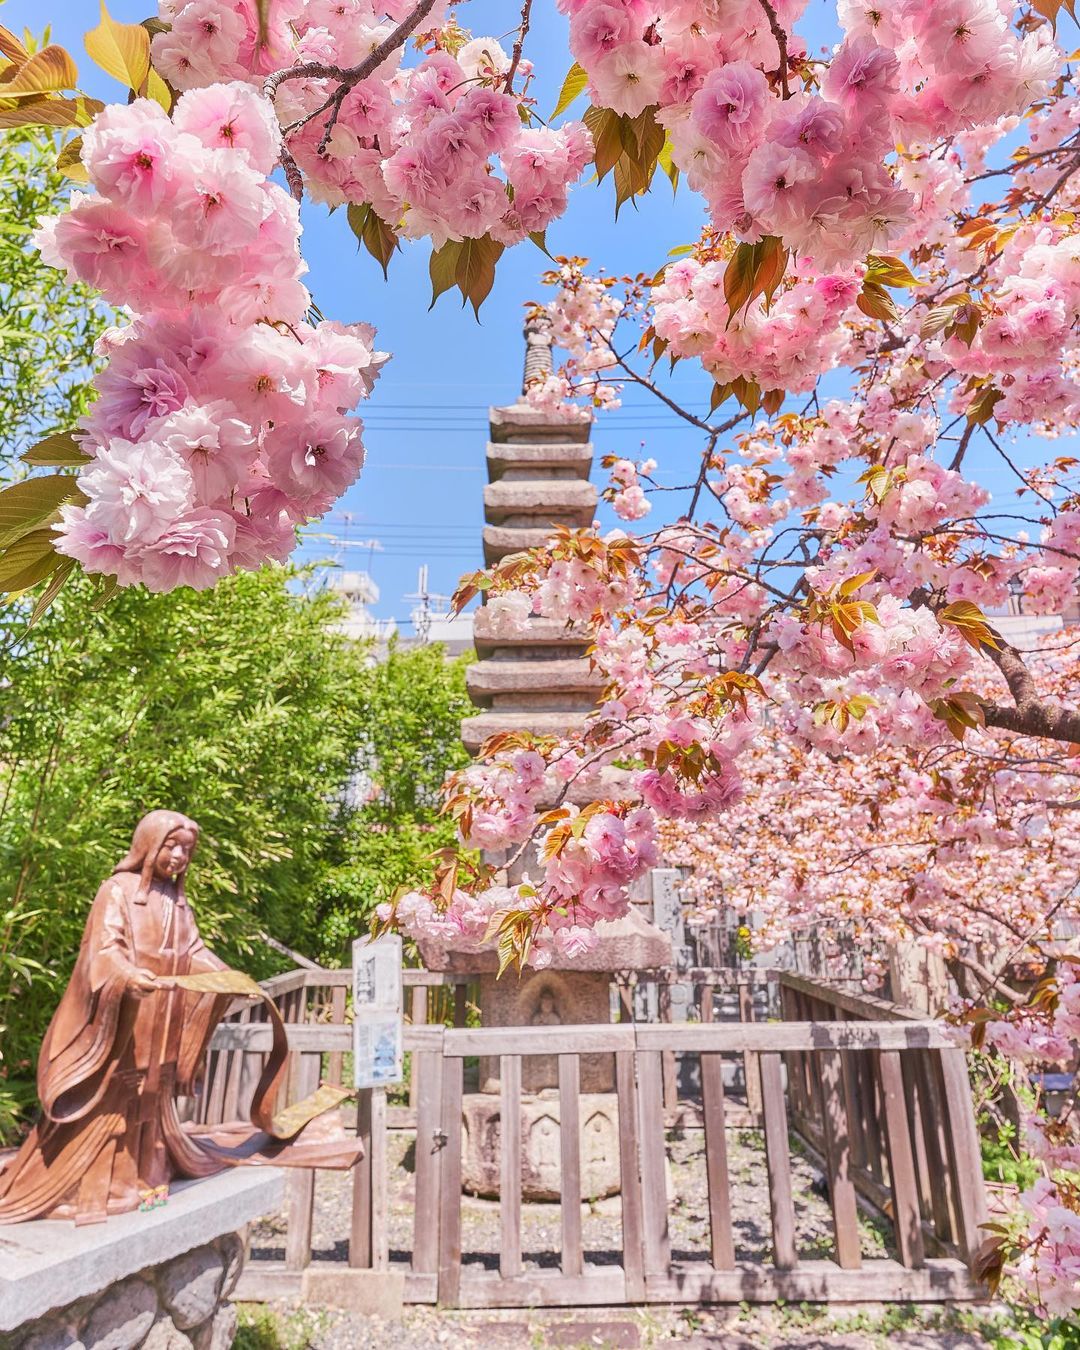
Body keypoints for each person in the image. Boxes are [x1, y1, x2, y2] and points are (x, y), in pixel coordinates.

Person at [0, 810, 359, 1225]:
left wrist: (225, 977)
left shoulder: (178, 903)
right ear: (147, 846)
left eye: (186, 850)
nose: (178, 856)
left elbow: (192, 953)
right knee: (117, 1098)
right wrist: (129, 976)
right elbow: (104, 950)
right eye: (170, 846)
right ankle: (100, 1183)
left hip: (164, 1017)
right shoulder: (117, 890)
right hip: (127, 1018)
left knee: (153, 1096)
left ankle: (146, 1175)